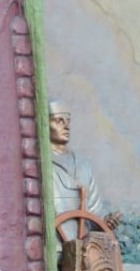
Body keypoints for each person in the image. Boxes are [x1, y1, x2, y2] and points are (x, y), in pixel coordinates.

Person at [48, 100, 119, 240]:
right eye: (59, 121)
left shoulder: (83, 165)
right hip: (53, 249)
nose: (66, 126)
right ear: (45, 124)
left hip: (83, 250)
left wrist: (105, 222)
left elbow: (94, 213)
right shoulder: (39, 164)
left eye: (68, 121)